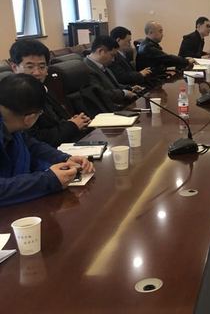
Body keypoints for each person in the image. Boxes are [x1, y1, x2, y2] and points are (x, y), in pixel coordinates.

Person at [0, 74, 93, 206]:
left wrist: (64, 159)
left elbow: (31, 146)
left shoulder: (11, 125)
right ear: (29, 119)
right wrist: (49, 180)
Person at [9, 40, 90, 147]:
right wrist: (72, 126)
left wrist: (77, 122)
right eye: (30, 67)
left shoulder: (44, 88)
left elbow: (57, 121)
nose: (37, 73)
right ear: (14, 67)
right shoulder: (14, 98)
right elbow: (33, 140)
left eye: (42, 67)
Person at [84, 36, 138, 110]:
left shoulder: (103, 65)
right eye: (112, 55)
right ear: (101, 51)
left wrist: (129, 88)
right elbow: (101, 94)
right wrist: (124, 93)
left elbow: (113, 86)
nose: (113, 60)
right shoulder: (86, 69)